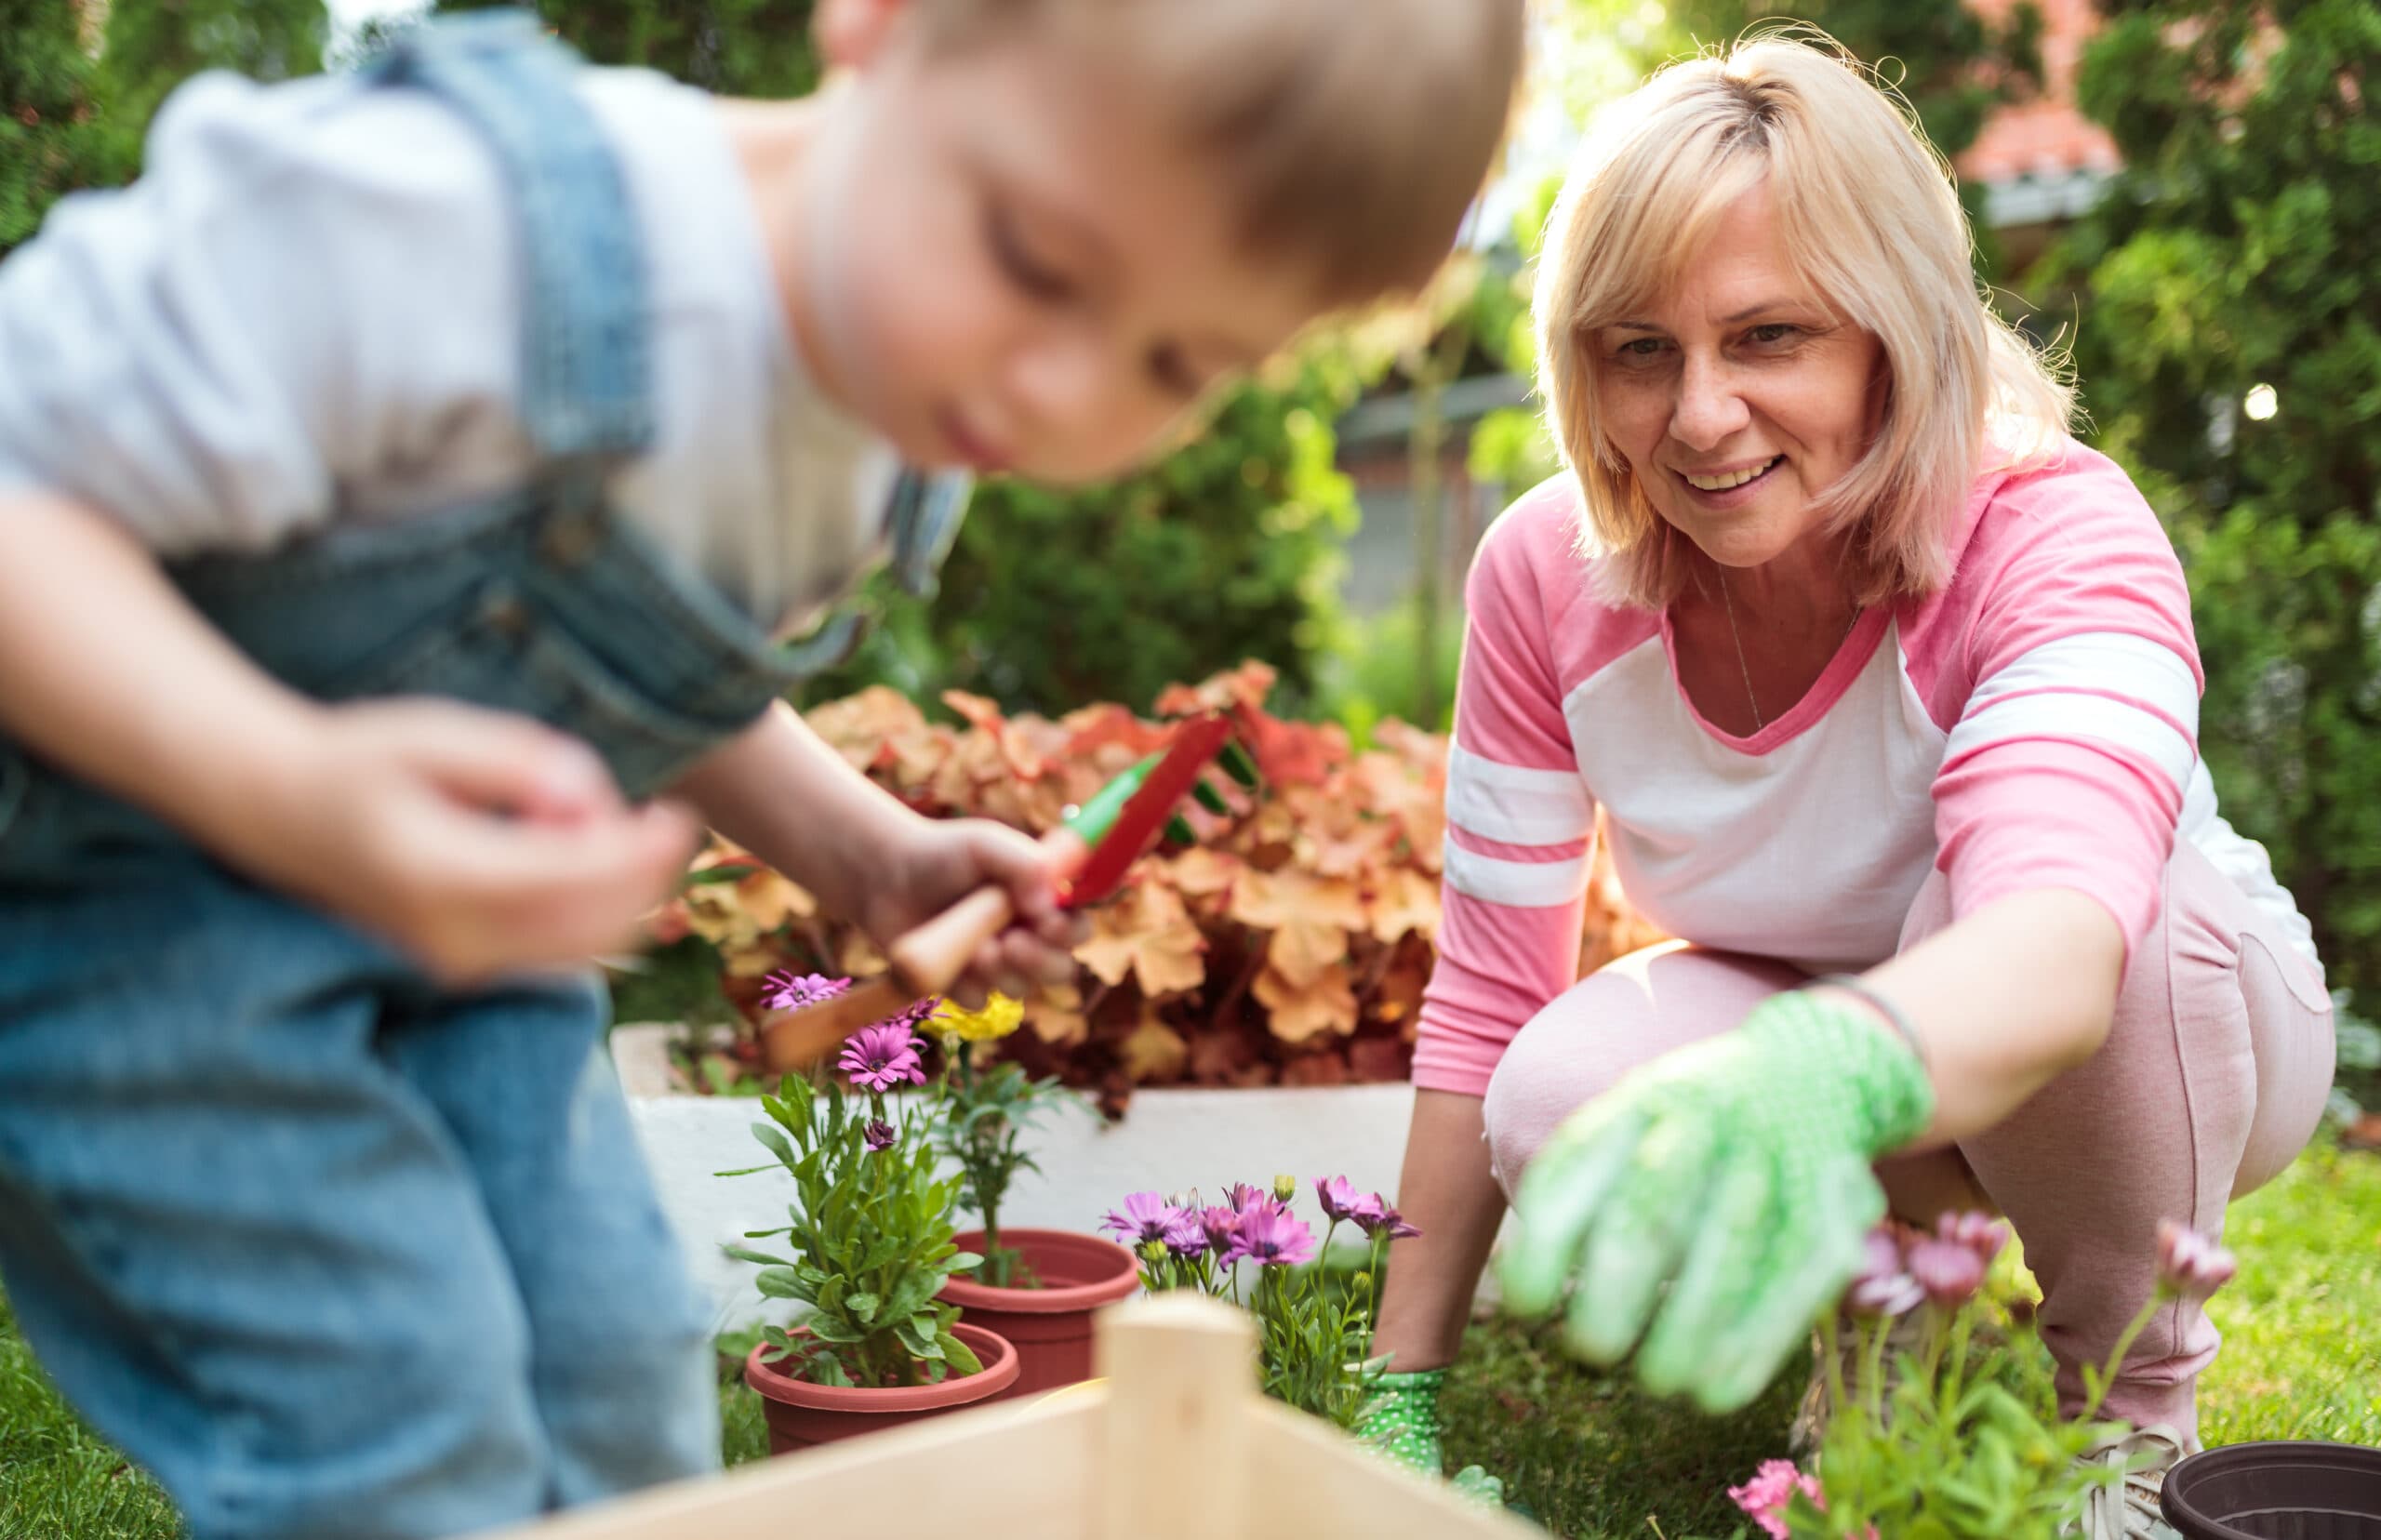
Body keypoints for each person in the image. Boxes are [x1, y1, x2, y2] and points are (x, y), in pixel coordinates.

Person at [0, 2, 1525, 1534]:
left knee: (617, 1382)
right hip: (128, 918)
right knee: (395, 1429)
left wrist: (872, 856)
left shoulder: (891, 417)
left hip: (452, 955)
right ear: (884, 22)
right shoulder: (468, 223)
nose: (1065, 392)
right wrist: (290, 790)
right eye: (1037, 263)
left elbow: (660, 661)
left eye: (1179, 360)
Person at [1358, 33, 2334, 1539]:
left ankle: (2125, 1416)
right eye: (1641, 350)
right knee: (1563, 1091)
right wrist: (1397, 1388)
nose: (1697, 417)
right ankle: (1895, 1325)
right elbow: (1490, 1000)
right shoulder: (1545, 576)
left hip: (2170, 1037)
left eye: (1768, 338)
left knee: (2105, 923)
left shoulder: (2055, 534)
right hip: (1837, 1023)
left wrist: (1822, 1071)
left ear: (1894, 331)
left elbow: (2066, 947)